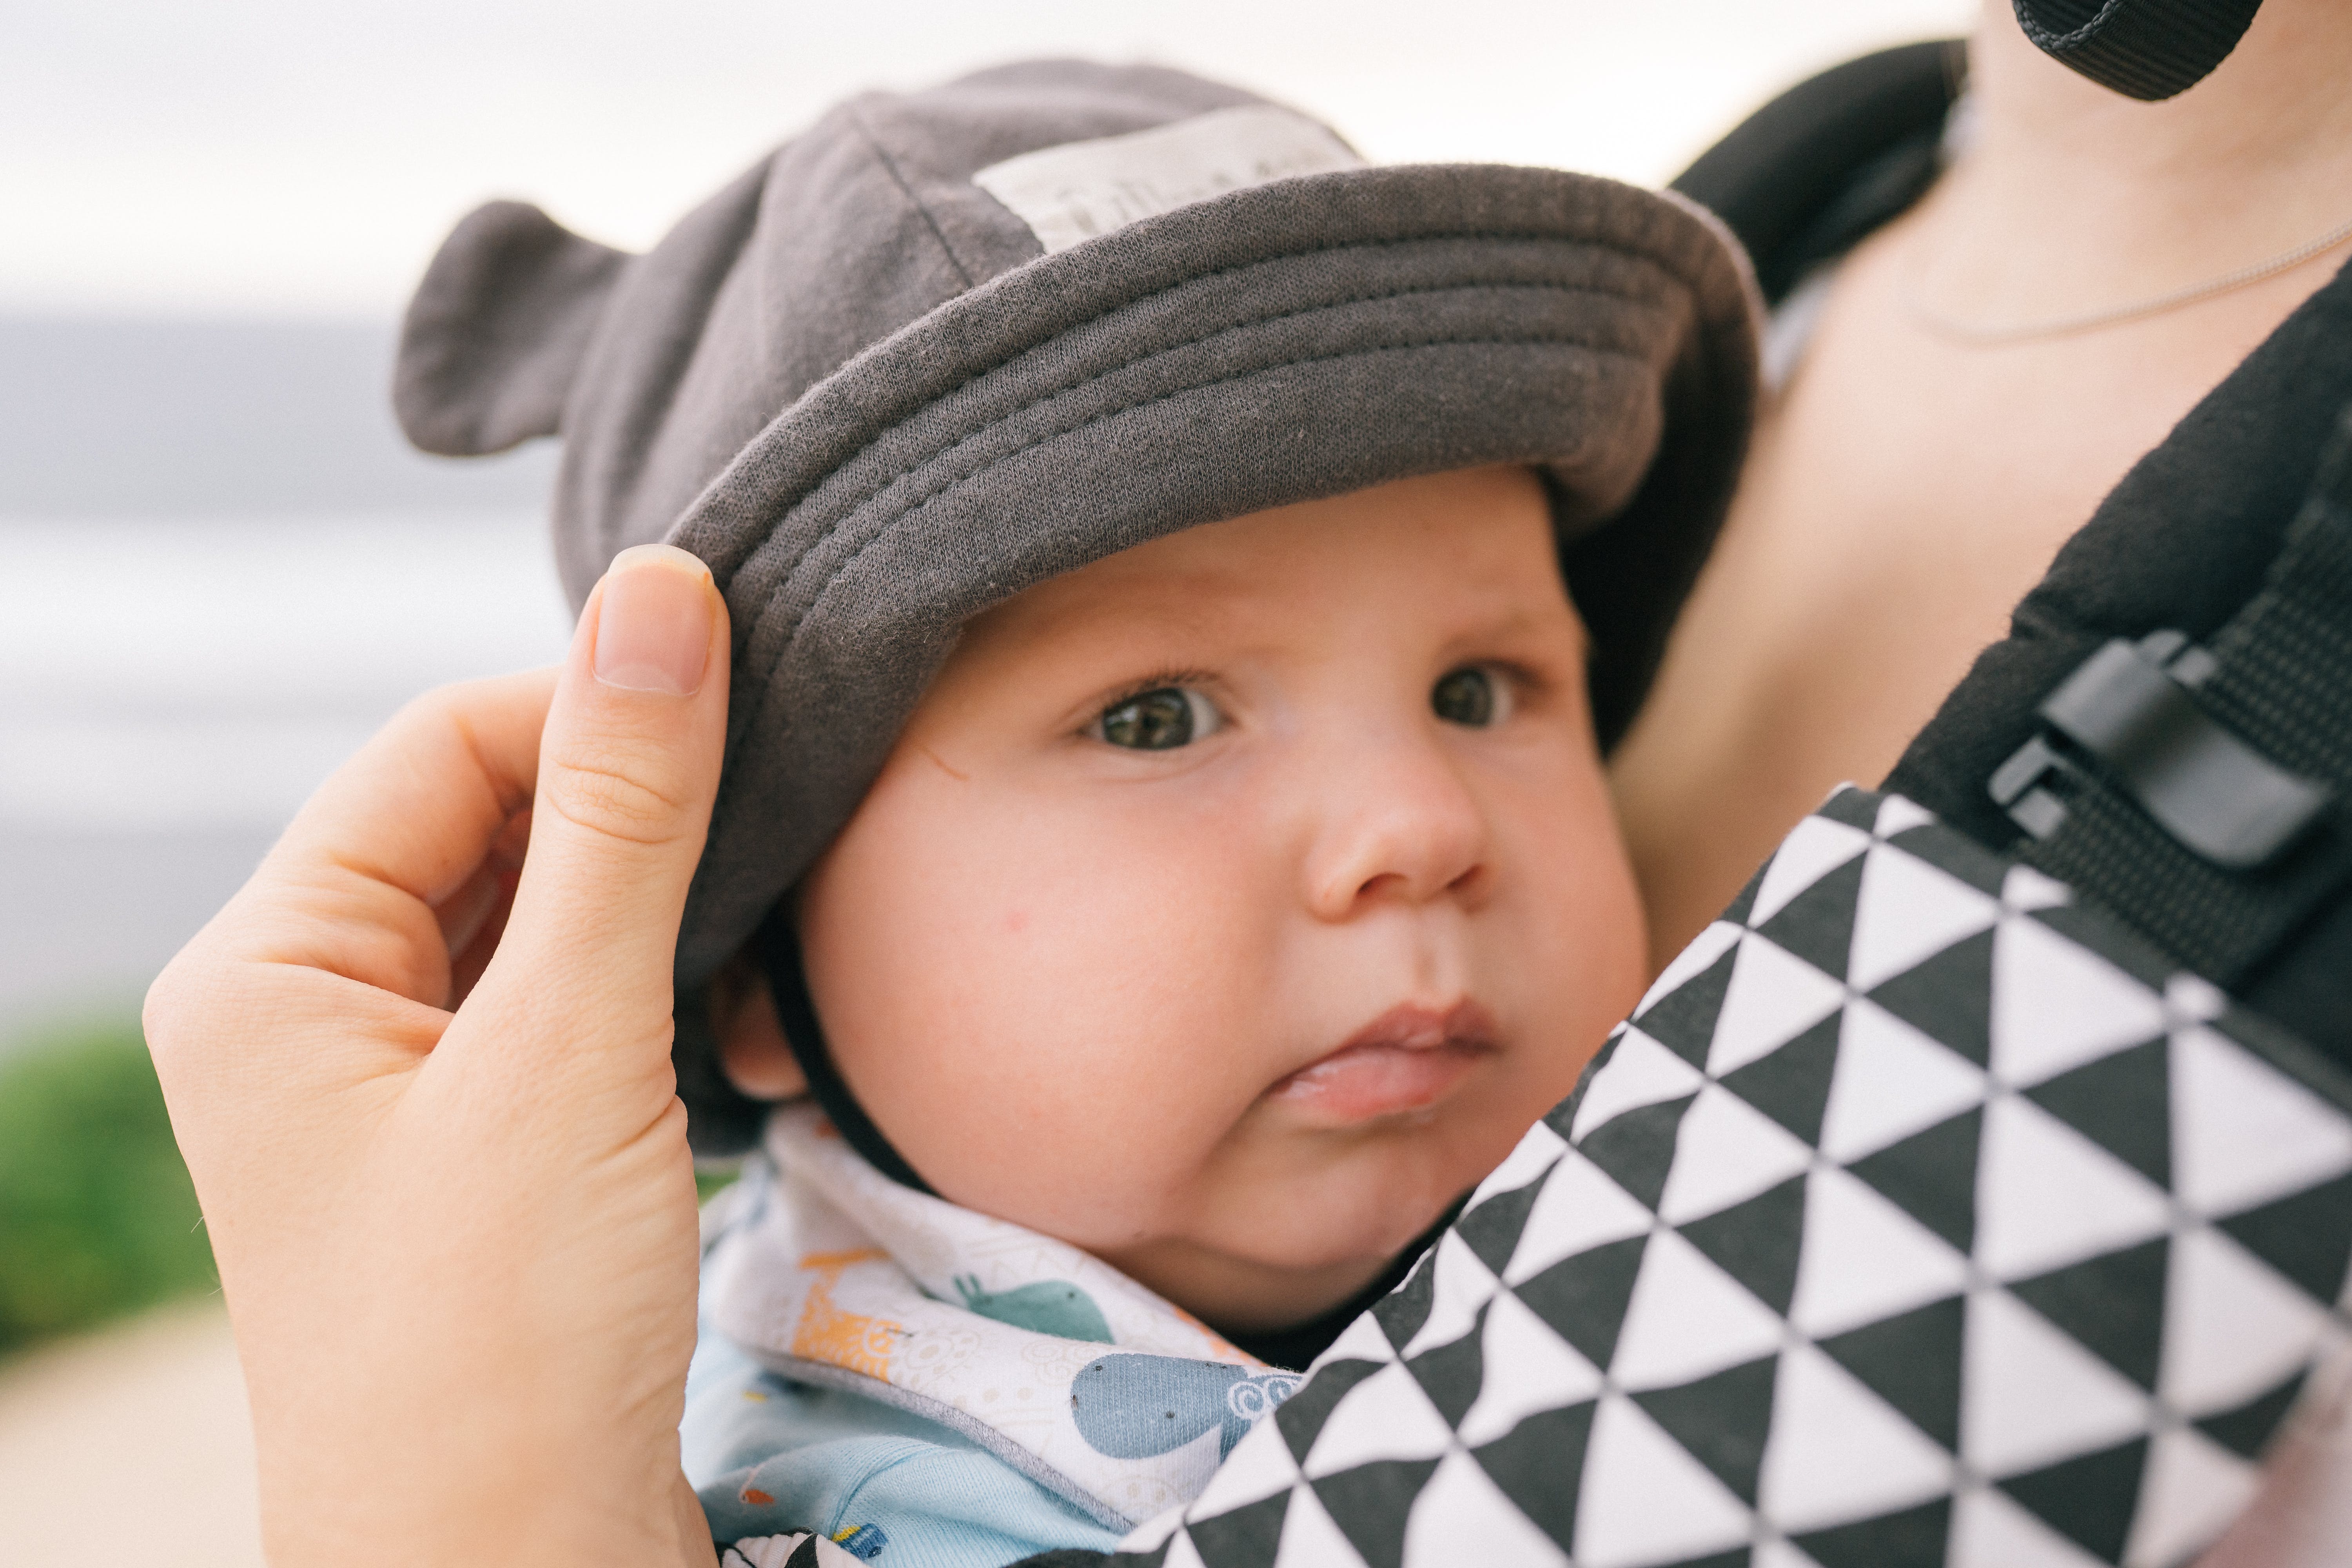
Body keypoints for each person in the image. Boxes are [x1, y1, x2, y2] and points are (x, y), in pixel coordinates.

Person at [139, 3, 2352, 1565]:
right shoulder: (884, 1484)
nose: (1421, 822)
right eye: (1156, 715)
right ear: (735, 974)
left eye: (1489, 683)